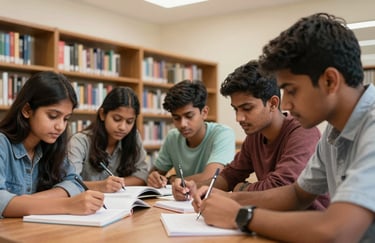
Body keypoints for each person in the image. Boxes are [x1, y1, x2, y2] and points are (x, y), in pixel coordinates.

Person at [191, 13, 375, 242]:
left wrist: (241, 216)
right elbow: (297, 194)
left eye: (292, 90)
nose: (285, 103)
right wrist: (229, 199)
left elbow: (336, 231)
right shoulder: (333, 132)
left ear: (330, 81)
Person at [176, 60, 329, 208]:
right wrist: (193, 187)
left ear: (273, 104)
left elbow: (280, 188)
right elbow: (230, 175)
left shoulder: (303, 132)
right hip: (271, 218)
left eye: (247, 108)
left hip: (306, 223)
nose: (238, 118)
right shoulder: (255, 135)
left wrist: (238, 190)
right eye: (236, 109)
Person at [0, 71, 105, 218]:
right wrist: (67, 204)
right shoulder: (2, 144)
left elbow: (75, 183)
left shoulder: (52, 146)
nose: (60, 127)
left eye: (66, 119)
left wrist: (23, 203)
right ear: (27, 110)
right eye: (53, 116)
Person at [147, 80, 236, 193]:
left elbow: (210, 178)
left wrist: (172, 180)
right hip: (180, 202)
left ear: (204, 112)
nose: (183, 124)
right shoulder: (173, 137)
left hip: (212, 201)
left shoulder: (223, 134)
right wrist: (154, 178)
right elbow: (155, 173)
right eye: (176, 118)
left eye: (189, 116)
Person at [68, 87, 149, 192]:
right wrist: (101, 186)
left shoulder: (133, 137)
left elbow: (142, 176)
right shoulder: (80, 141)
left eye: (129, 121)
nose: (123, 127)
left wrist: (115, 185)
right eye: (117, 119)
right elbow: (70, 182)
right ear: (102, 114)